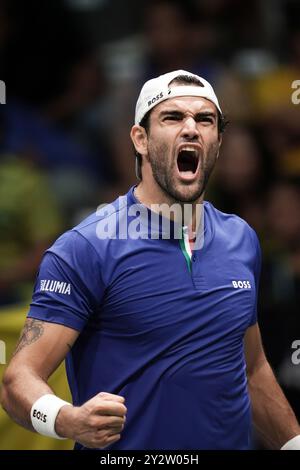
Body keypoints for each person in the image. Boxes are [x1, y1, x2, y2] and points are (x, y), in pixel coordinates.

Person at [1, 70, 300, 450]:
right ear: (140, 139)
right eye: (172, 117)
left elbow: (251, 367)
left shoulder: (241, 239)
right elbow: (18, 380)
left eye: (205, 120)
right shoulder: (86, 248)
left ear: (218, 141)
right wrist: (66, 419)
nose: (191, 129)